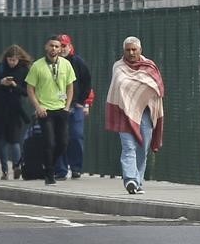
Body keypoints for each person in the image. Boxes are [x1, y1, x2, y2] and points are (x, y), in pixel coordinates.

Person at [105, 36, 165, 195]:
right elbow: (121, 86)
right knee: (128, 147)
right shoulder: (118, 67)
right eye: (128, 50)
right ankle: (130, 179)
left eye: (134, 49)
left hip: (145, 113)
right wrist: (139, 89)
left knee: (142, 148)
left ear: (140, 50)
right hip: (124, 113)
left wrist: (139, 92)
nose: (131, 53)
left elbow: (157, 87)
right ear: (123, 51)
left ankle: (138, 181)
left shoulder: (150, 66)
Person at [25, 35, 76, 185]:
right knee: (50, 142)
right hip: (45, 110)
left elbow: (70, 86)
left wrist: (67, 106)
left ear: (61, 49)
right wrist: (37, 106)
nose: (53, 49)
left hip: (61, 108)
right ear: (46, 47)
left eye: (56, 46)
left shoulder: (66, 65)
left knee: (63, 143)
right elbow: (30, 89)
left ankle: (49, 164)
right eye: (51, 46)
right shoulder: (37, 66)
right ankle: (49, 174)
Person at [0, 45, 33, 180]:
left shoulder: (24, 71)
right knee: (2, 141)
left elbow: (26, 92)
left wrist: (14, 86)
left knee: (14, 140)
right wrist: (1, 82)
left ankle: (17, 166)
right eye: (10, 59)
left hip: (15, 109)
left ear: (19, 59)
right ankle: (4, 170)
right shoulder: (1, 68)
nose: (12, 62)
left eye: (14, 60)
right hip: (0, 109)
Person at [54, 34, 93, 180]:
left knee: (76, 135)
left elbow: (87, 82)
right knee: (59, 137)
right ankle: (61, 169)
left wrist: (82, 101)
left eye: (64, 46)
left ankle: (76, 168)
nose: (62, 49)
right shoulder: (51, 63)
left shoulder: (78, 62)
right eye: (59, 46)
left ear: (70, 46)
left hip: (75, 105)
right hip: (57, 105)